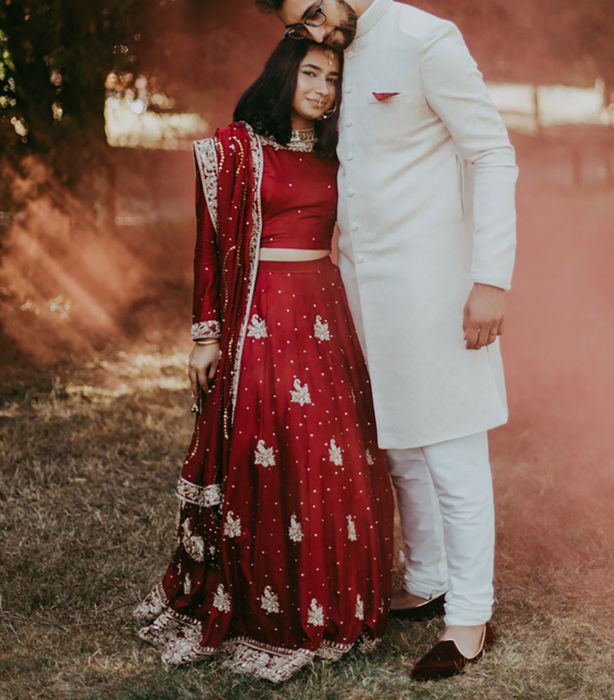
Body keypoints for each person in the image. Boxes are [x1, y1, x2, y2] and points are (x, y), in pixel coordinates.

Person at [255, 0, 519, 681]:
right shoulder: (342, 49)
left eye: (315, 12)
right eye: (301, 27)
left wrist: (491, 279)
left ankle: (469, 617)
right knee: (396, 439)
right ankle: (427, 577)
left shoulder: (426, 39)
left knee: (451, 445)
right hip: (361, 282)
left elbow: (491, 153)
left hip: (436, 280)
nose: (317, 33)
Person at [133, 38, 394, 684]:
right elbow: (209, 245)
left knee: (335, 456)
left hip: (324, 314)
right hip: (261, 317)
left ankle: (336, 603)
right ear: (285, 75)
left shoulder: (340, 154)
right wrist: (207, 334)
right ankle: (261, 603)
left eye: (334, 79)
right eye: (311, 73)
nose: (323, 88)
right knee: (271, 448)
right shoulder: (237, 151)